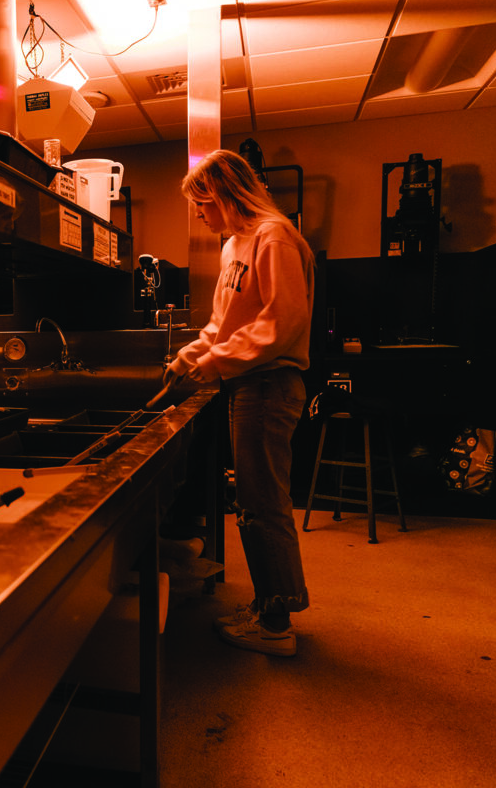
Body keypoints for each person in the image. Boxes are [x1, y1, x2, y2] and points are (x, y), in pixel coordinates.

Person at [161, 149, 315, 657]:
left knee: (263, 505)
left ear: (223, 196)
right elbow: (224, 324)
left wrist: (213, 363)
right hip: (248, 385)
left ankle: (275, 626)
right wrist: (188, 357)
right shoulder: (235, 247)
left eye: (203, 207)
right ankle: (271, 604)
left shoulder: (273, 237)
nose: (202, 218)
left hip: (269, 384)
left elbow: (281, 320)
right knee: (252, 503)